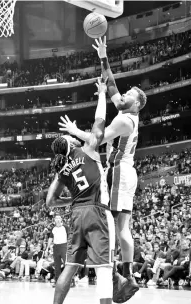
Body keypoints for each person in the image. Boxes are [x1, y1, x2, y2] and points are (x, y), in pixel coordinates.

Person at [58, 36, 147, 298]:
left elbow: (97, 139)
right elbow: (111, 86)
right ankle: (125, 275)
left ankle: (125, 277)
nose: (123, 96)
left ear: (137, 103)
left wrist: (75, 131)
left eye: (129, 95)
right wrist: (103, 57)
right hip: (126, 173)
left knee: (116, 227)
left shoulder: (125, 119)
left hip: (120, 171)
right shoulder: (126, 113)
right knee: (121, 227)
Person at [47, 78, 125, 304]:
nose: (73, 137)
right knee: (103, 268)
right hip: (97, 212)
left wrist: (70, 200)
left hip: (76, 214)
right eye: (71, 138)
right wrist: (101, 93)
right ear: (71, 144)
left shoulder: (61, 170)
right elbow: (99, 122)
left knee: (69, 268)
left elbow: (50, 202)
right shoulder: (88, 149)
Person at [46, 214, 68, 287]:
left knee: (66, 264)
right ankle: (57, 282)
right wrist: (47, 248)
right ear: (54, 220)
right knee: (57, 266)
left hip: (64, 246)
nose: (58, 219)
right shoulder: (53, 228)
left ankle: (69, 281)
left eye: (59, 218)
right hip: (56, 247)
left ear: (61, 219)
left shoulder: (65, 227)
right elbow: (50, 238)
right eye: (56, 218)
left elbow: (70, 237)